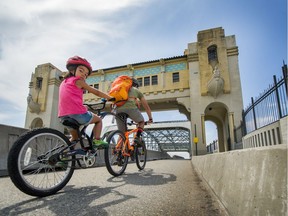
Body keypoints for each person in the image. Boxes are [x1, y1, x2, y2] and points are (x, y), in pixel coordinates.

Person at [58, 56, 113, 148]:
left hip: (63, 116)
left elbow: (69, 99)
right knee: (98, 120)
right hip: (77, 114)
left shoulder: (64, 82)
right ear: (72, 70)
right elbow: (96, 92)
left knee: (74, 139)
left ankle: (63, 158)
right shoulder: (78, 81)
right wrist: (110, 98)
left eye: (86, 74)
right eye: (81, 70)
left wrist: (83, 106)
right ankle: (97, 141)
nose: (84, 75)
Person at [114, 77, 153, 146]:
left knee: (122, 133)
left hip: (117, 110)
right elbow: (146, 107)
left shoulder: (119, 89)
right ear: (135, 85)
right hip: (130, 109)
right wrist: (150, 118)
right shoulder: (136, 90)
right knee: (141, 122)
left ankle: (116, 151)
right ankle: (137, 137)